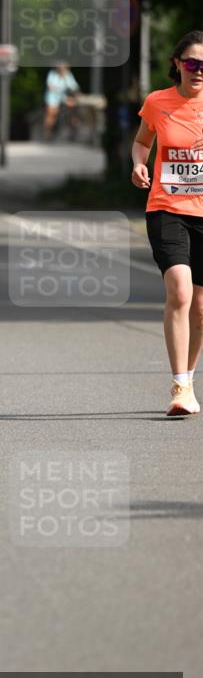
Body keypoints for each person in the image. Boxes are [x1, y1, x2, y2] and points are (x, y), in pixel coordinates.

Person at [131, 29, 203, 417]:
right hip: (167, 207)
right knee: (179, 291)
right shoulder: (158, 102)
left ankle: (190, 378)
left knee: (202, 308)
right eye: (192, 63)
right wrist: (139, 163)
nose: (199, 71)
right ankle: (180, 386)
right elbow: (143, 141)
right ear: (178, 63)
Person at [43, 62, 80, 141]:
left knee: (73, 111)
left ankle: (72, 133)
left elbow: (74, 87)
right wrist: (61, 89)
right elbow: (50, 86)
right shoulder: (52, 74)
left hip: (64, 98)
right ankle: (48, 134)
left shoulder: (68, 75)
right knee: (51, 114)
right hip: (53, 97)